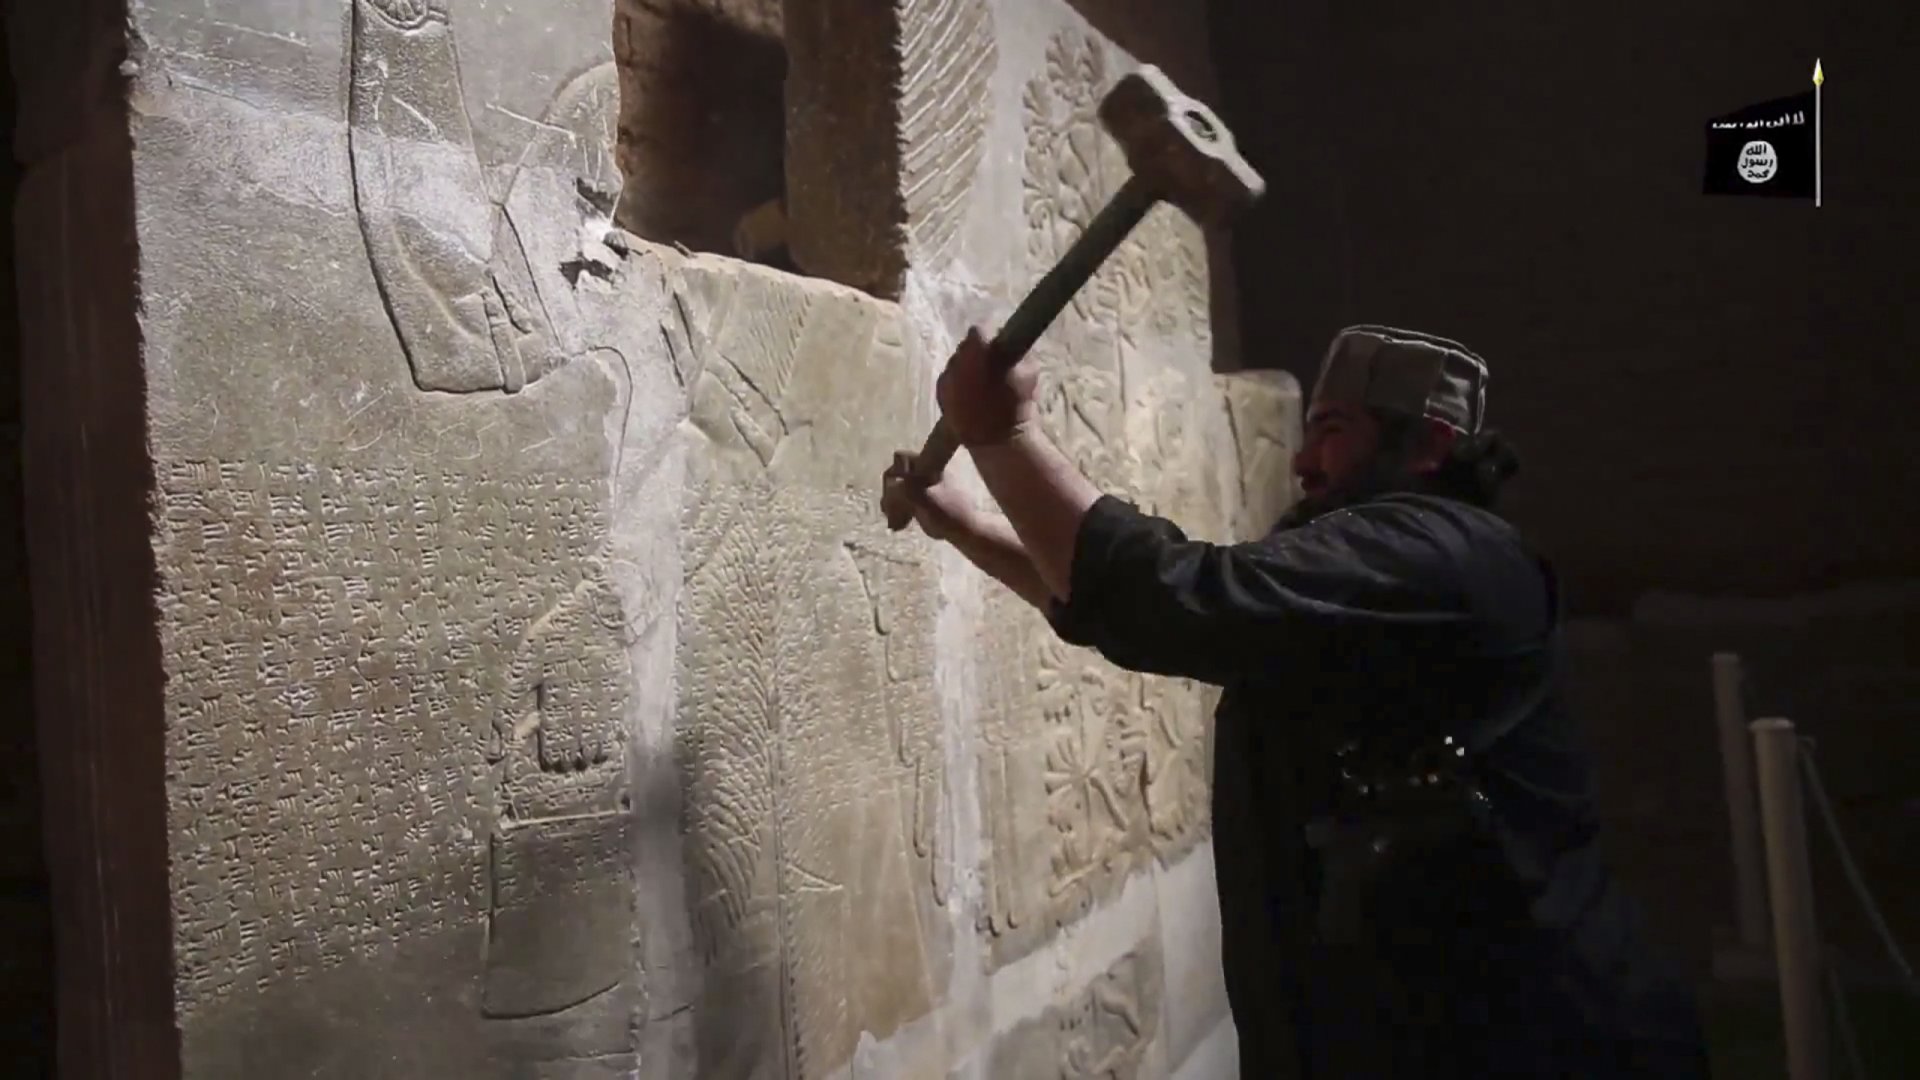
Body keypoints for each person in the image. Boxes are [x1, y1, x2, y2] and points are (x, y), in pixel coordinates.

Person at [881, 325, 1710, 1078]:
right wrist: (967, 528)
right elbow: (1109, 606)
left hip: (1523, 1040)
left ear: (1430, 445)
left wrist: (1006, 436)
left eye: (1334, 430)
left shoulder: (1434, 555)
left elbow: (1170, 600)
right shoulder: (1398, 571)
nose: (1304, 461)